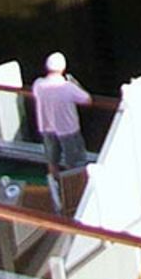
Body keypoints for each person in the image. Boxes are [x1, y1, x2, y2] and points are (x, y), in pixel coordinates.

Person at [31, 51, 92, 206]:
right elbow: (87, 100)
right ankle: (76, 196)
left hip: (47, 128)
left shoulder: (38, 84)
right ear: (63, 68)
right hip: (68, 130)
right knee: (75, 163)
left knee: (52, 161)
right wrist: (76, 84)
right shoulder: (68, 87)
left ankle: (57, 191)